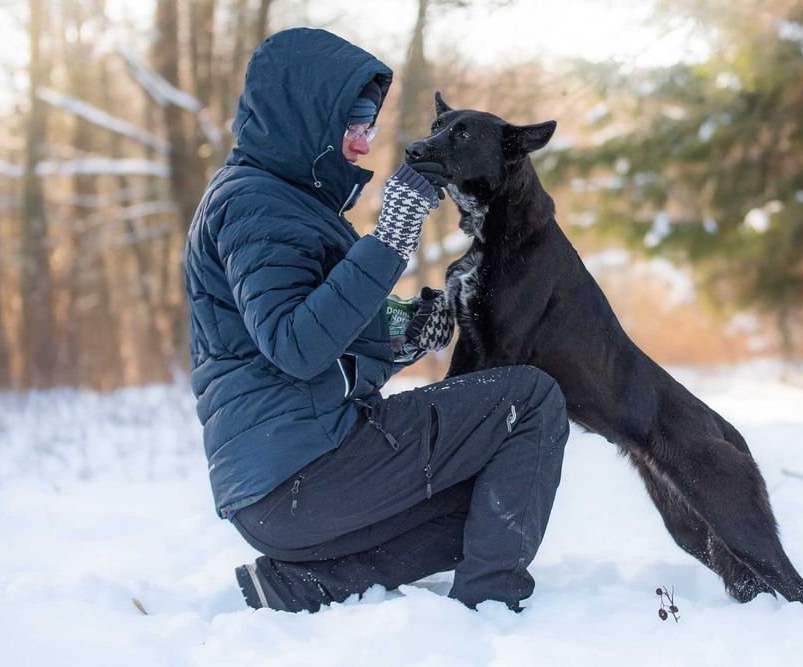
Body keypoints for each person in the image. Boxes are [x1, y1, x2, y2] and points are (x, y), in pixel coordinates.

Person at [184, 28, 570, 613]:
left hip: (285, 488)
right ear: (306, 117)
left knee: (496, 490)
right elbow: (296, 343)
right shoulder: (253, 203)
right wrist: (394, 231)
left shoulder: (283, 202)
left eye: (367, 128)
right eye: (353, 127)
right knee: (533, 400)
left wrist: (401, 328)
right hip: (301, 471)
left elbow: (312, 327)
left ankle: (307, 585)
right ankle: (492, 604)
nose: (363, 145)